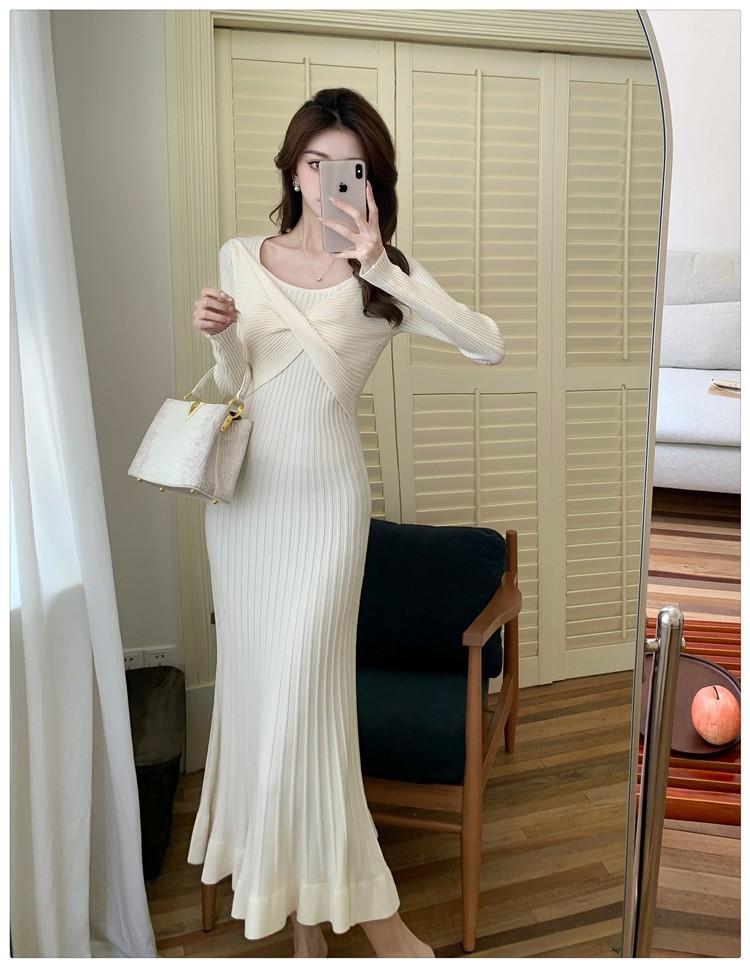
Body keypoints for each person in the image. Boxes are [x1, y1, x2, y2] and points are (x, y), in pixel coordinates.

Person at [188, 87, 506, 957]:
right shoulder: (240, 255)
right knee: (263, 703)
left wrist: (383, 268)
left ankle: (379, 922)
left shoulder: (383, 272)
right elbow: (237, 388)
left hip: (326, 511)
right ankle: (304, 926)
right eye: (315, 162)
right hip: (245, 512)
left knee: (302, 710)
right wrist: (218, 336)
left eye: (350, 167)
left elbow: (487, 344)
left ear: (371, 180)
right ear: (293, 170)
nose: (329, 179)